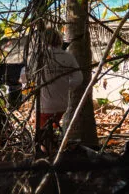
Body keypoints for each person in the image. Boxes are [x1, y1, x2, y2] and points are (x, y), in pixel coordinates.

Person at [21, 27, 83, 155]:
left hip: (44, 105)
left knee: (42, 134)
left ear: (43, 41)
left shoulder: (39, 57)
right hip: (62, 104)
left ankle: (46, 156)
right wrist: (65, 85)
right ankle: (51, 149)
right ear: (59, 40)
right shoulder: (68, 57)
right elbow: (79, 79)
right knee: (51, 128)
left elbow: (25, 77)